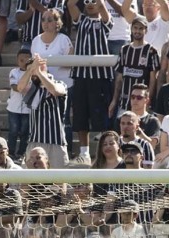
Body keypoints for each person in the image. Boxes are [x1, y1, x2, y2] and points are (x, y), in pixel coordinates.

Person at [67, 0, 112, 165]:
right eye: (88, 1)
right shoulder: (81, 20)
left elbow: (105, 14)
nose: (90, 4)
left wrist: (99, 3)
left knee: (99, 115)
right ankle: (84, 153)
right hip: (80, 75)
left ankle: (104, 152)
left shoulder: (104, 21)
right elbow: (70, 5)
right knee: (80, 115)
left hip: (99, 76)